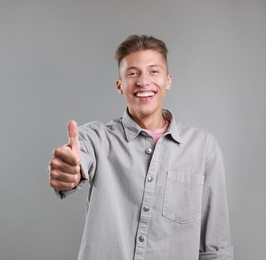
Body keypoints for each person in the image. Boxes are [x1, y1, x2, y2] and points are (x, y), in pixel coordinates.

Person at [48, 35, 233, 259]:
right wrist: (69, 172)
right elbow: (77, 162)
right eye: (132, 73)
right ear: (120, 85)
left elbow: (215, 245)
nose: (143, 81)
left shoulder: (203, 147)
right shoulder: (96, 138)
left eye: (153, 71)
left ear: (168, 80)